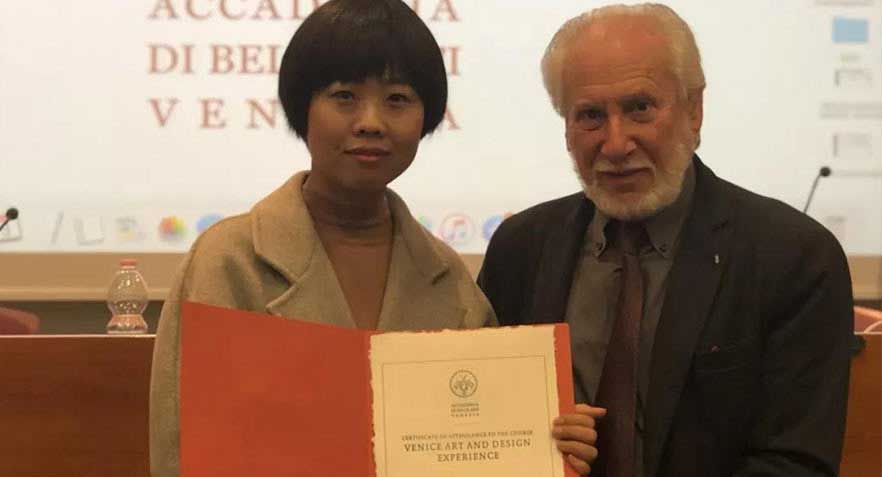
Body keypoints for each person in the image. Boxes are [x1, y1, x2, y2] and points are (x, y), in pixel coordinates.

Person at [150, 1, 597, 475]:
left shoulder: (451, 283)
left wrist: (550, 441)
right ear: (302, 108)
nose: (371, 121)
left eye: (397, 99)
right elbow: (181, 450)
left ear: (427, 117)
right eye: (344, 96)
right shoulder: (228, 261)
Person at [478, 3, 854, 477]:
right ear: (567, 129)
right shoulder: (521, 249)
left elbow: (795, 463)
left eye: (640, 108)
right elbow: (484, 426)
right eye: (590, 115)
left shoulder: (794, 257)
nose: (616, 144)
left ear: (694, 111)